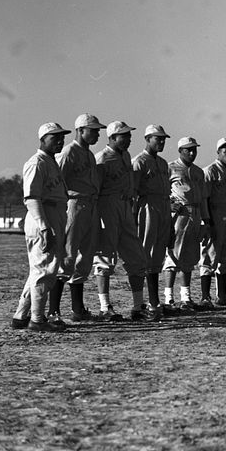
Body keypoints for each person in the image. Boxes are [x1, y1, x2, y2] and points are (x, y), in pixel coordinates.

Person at [11, 122, 71, 332]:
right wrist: (45, 228)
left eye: (61, 137)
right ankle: (37, 320)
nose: (60, 141)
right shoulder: (36, 162)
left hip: (53, 215)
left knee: (39, 269)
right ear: (42, 139)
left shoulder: (50, 161)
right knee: (44, 270)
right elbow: (32, 198)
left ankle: (21, 316)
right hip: (43, 217)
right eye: (54, 137)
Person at [93, 121, 152, 321]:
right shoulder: (101, 158)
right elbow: (95, 190)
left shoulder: (126, 156)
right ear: (112, 137)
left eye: (128, 135)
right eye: (123, 136)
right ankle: (104, 306)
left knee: (137, 257)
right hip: (107, 207)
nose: (128, 139)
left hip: (126, 206)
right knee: (105, 258)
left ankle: (137, 307)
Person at [49, 113, 105, 324]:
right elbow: (57, 183)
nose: (98, 134)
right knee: (68, 256)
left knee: (86, 257)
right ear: (81, 130)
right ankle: (54, 312)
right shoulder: (68, 152)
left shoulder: (90, 155)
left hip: (90, 205)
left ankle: (78, 308)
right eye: (94, 130)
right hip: (74, 204)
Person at [163, 136, 210, 311]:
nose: (192, 152)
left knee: (189, 257)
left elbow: (204, 199)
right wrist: (168, 204)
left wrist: (207, 221)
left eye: (194, 149)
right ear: (180, 151)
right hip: (179, 214)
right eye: (188, 149)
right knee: (173, 257)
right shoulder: (171, 168)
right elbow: (162, 191)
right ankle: (168, 298)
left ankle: (186, 298)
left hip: (196, 213)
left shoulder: (198, 172)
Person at [133, 124, 173, 320]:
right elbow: (133, 192)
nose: (162, 142)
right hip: (147, 207)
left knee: (158, 256)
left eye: (164, 138)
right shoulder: (139, 162)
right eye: (158, 138)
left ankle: (155, 301)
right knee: (145, 255)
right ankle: (144, 303)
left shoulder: (164, 163)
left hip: (164, 206)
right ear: (147, 139)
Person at [199, 137, 226, 308]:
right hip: (216, 217)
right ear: (218, 153)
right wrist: (208, 222)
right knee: (209, 257)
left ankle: (222, 295)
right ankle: (205, 296)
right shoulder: (210, 171)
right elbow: (205, 199)